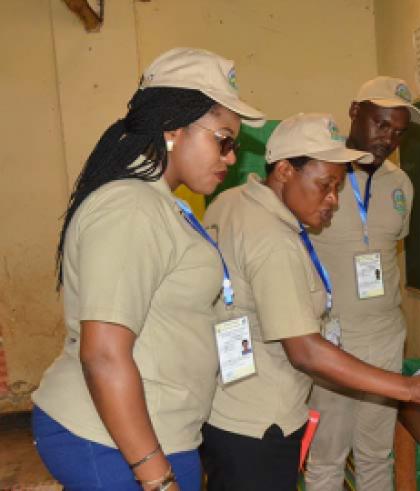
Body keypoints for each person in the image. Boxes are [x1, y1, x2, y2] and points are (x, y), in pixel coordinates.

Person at [31, 47, 264, 491]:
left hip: (154, 432)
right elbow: (103, 354)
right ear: (173, 129)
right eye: (224, 140)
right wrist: (156, 478)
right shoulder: (131, 207)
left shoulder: (161, 204)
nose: (231, 158)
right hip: (112, 440)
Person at [199, 113, 420, 491]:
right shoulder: (274, 240)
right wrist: (410, 389)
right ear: (286, 170)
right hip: (261, 423)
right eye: (324, 185)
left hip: (225, 409)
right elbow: (305, 350)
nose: (333, 201)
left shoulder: (233, 201)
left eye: (338, 187)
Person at [305, 77, 420, 491]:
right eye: (380, 123)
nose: (387, 138)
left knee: (377, 456)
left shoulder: (401, 185)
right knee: (327, 460)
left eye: (397, 131)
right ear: (354, 111)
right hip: (331, 340)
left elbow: (390, 250)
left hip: (385, 339)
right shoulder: (321, 174)